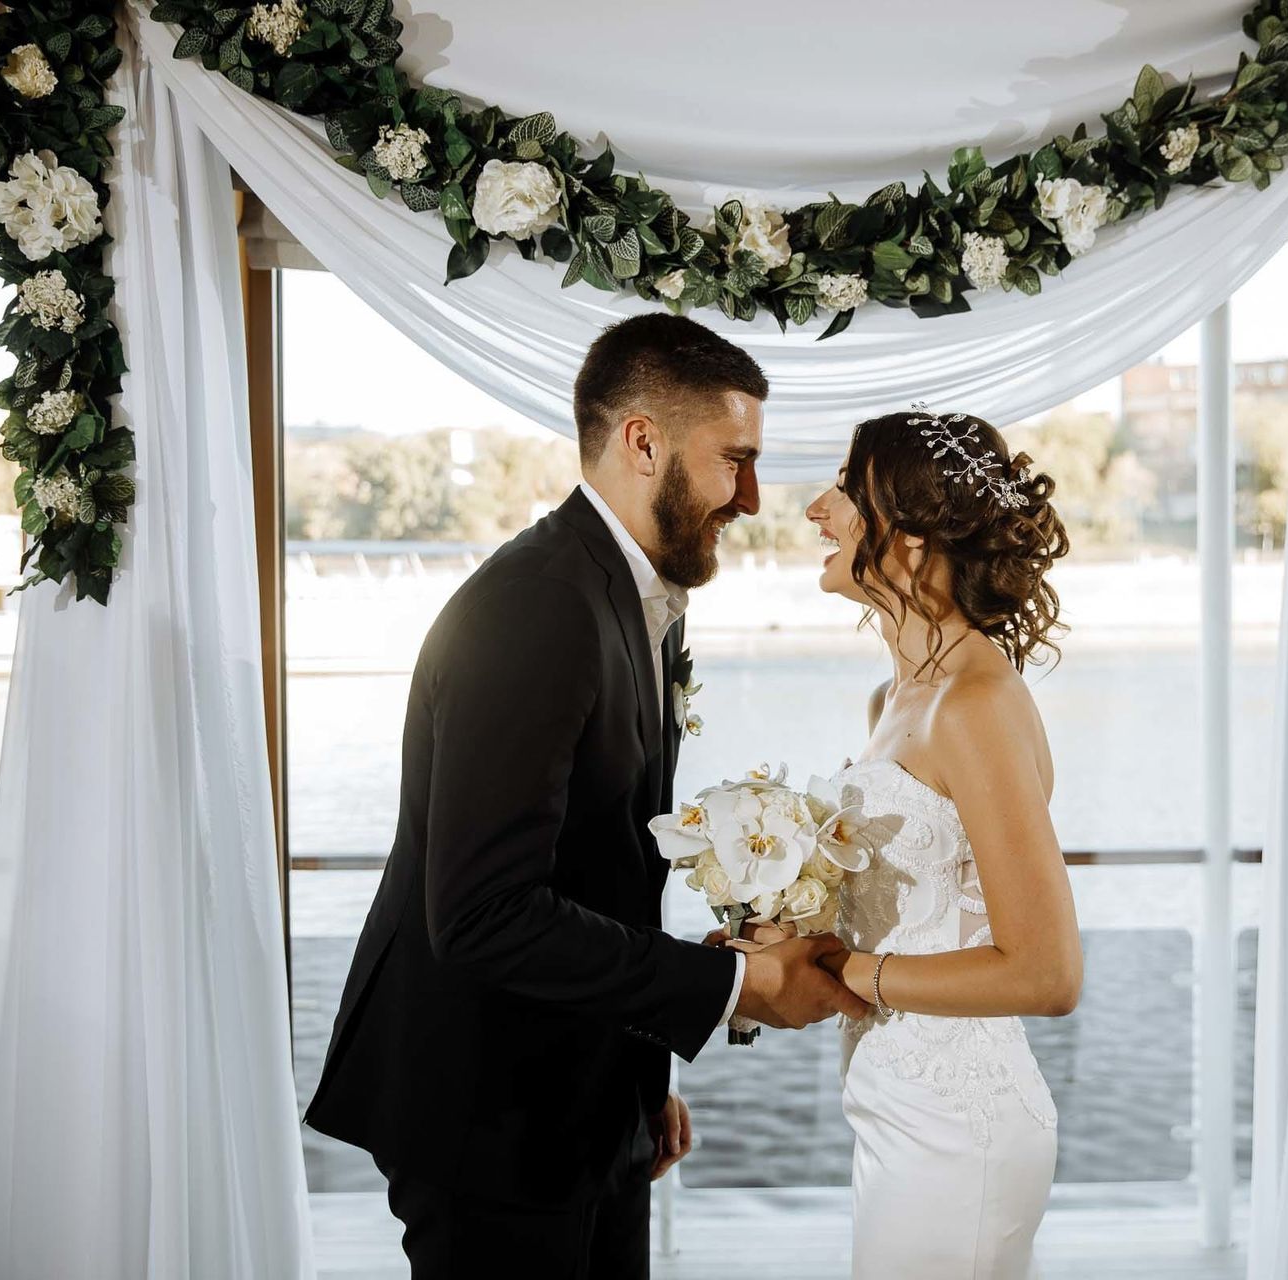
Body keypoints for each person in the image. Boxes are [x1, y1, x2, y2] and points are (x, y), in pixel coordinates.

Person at [305, 314, 869, 1279]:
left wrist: (638, 1079)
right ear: (642, 441)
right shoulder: (538, 606)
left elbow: (600, 873)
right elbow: (485, 913)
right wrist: (732, 988)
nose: (752, 496)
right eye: (734, 459)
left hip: (579, 1090)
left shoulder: (627, 595)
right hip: (488, 1109)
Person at [744, 407, 1084, 1278]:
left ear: (913, 539)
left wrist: (847, 973)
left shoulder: (971, 704)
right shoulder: (895, 700)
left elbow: (1047, 974)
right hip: (893, 1103)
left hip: (956, 1129)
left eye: (845, 491)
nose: (817, 509)